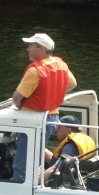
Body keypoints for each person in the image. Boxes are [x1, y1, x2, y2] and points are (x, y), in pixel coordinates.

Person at [11, 33, 77, 183]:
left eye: (30, 46)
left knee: (21, 163)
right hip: (52, 118)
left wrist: (20, 106)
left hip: (33, 121)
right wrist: (54, 95)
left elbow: (17, 98)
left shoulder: (35, 71)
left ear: (41, 48)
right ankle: (35, 181)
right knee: (36, 156)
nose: (28, 49)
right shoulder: (61, 64)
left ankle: (20, 190)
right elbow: (72, 84)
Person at [43, 115, 97, 184]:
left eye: (59, 127)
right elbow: (56, 160)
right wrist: (40, 148)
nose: (56, 130)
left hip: (62, 182)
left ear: (68, 130)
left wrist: (36, 181)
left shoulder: (68, 148)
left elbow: (54, 169)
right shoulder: (82, 139)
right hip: (78, 177)